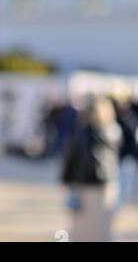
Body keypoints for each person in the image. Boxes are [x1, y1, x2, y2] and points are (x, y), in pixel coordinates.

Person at [62, 97, 122, 241]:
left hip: (91, 183)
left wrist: (66, 179)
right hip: (101, 183)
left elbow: (72, 155)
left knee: (87, 227)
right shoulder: (113, 131)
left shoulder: (91, 132)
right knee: (97, 225)